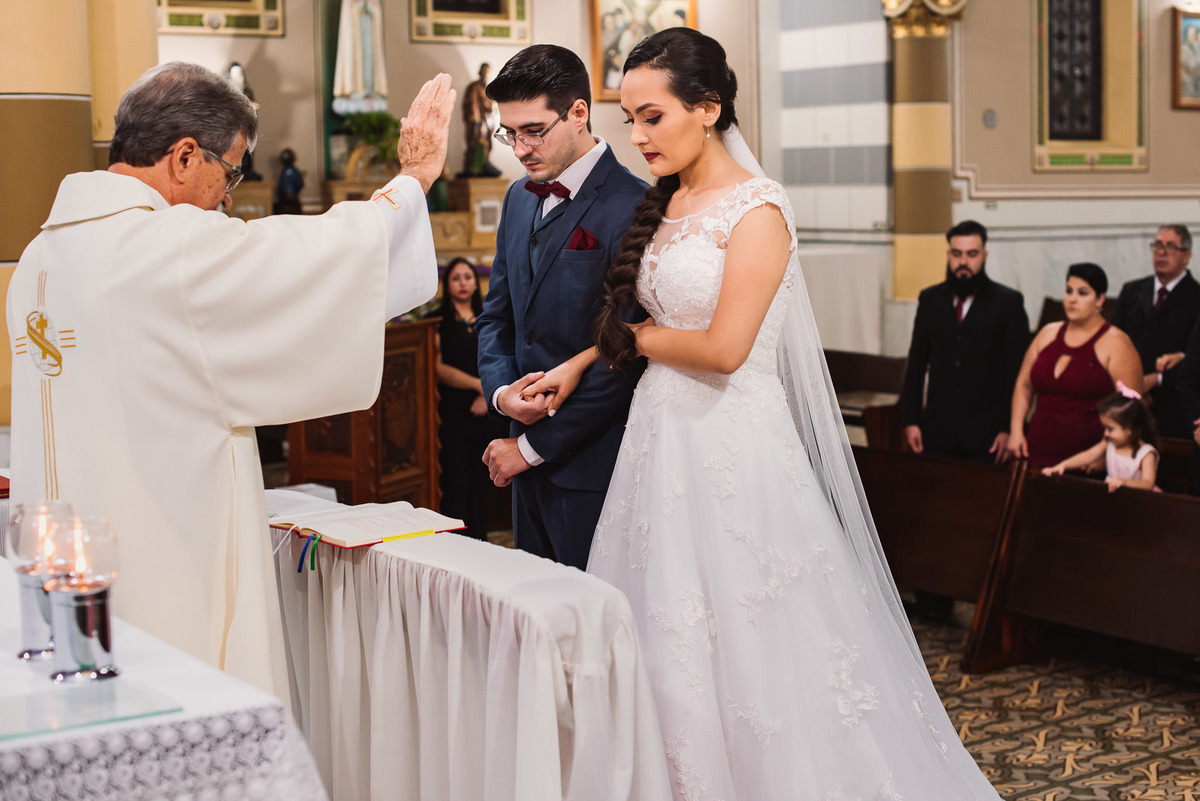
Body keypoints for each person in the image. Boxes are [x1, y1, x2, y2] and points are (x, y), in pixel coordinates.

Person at [524, 27, 1005, 800]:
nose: (638, 136)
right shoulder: (670, 199)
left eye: (652, 116)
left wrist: (631, 336)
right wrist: (583, 363)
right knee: (666, 630)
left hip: (731, 447)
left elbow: (723, 349)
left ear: (707, 107)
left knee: (757, 641)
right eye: (630, 119)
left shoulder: (759, 210)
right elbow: (647, 320)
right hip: (659, 443)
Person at [7, 63, 455, 697]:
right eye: (231, 170)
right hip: (163, 572)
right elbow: (314, 260)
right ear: (185, 155)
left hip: (59, 579)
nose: (229, 195)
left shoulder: (37, 259)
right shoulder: (168, 249)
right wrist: (412, 181)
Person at [474, 44, 647, 571]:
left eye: (534, 130)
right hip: (521, 453)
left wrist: (534, 447)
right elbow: (497, 317)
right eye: (509, 133)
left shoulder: (635, 205)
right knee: (539, 622)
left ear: (578, 113)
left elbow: (629, 351)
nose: (519, 148)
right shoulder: (518, 198)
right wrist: (504, 396)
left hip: (596, 464)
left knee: (595, 628)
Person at [902, 219, 1029, 462]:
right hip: (938, 431)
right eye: (957, 254)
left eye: (972, 254)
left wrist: (1008, 428)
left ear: (984, 255)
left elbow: (1016, 373)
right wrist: (911, 420)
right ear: (948, 254)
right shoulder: (930, 300)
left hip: (987, 434)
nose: (963, 262)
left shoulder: (1007, 303)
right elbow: (917, 365)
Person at [1008, 263, 1143, 468]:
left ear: (1100, 299)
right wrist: (1016, 431)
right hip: (1035, 448)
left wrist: (1106, 452)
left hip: (1086, 458)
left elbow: (1131, 407)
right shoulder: (1048, 334)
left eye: (1082, 293)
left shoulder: (1116, 342)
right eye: (1068, 291)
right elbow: (1024, 385)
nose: (1072, 299)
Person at [424, 258, 506, 540]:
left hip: (488, 412)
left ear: (476, 282)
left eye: (468, 277)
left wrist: (488, 394)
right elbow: (437, 367)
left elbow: (502, 357)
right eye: (456, 278)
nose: (462, 283)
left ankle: (480, 542)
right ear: (447, 285)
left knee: (482, 484)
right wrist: (480, 387)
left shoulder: (490, 317)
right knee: (457, 482)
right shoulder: (437, 320)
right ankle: (455, 545)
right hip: (454, 411)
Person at [1109, 224, 1200, 439]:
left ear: (1186, 255)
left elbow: (1193, 360)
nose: (1162, 252)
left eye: (1170, 246)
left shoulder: (1196, 297)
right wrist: (1133, 385)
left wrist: (1155, 380)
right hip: (1127, 398)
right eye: (1158, 245)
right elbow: (1113, 341)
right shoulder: (1132, 290)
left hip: (1174, 402)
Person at [1042, 384, 1160, 492]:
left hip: (1140, 501)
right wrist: (1062, 466)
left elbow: (1148, 483)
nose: (1105, 433)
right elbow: (1089, 455)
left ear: (1128, 429)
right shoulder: (1110, 443)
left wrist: (1124, 482)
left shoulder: (1145, 453)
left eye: (1110, 429)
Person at [459, 63, 501, 177]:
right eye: (484, 71)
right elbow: (474, 102)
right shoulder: (475, 86)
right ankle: (475, 167)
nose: (485, 74)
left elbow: (487, 102)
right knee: (477, 142)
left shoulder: (484, 87)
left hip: (486, 120)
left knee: (486, 143)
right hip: (478, 120)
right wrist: (475, 117)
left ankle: (484, 165)